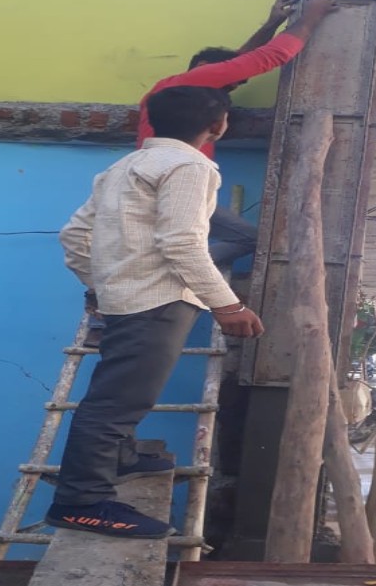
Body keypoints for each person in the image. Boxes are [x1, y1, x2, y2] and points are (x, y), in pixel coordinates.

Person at [46, 86, 265, 539]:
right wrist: (228, 304)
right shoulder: (190, 166)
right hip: (158, 300)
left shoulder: (123, 167)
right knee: (117, 403)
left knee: (121, 391)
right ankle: (80, 501)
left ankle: (122, 457)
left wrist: (101, 283)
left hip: (126, 298)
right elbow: (182, 242)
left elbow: (73, 236)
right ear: (218, 124)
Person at [137, 0, 340, 267]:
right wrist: (312, 15)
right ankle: (174, 270)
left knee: (187, 244)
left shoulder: (173, 88)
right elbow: (272, 56)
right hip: (175, 188)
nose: (230, 88)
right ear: (204, 68)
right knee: (249, 240)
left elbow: (242, 62)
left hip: (164, 186)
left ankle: (172, 269)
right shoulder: (194, 81)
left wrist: (272, 23)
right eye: (228, 81)